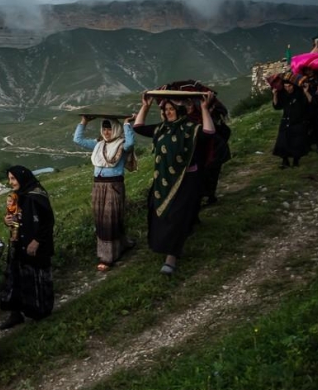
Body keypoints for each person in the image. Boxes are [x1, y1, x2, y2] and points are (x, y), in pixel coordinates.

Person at [133, 92, 215, 275]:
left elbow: (209, 132)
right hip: (162, 181)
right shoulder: (161, 128)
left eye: (172, 109)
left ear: (179, 110)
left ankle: (172, 256)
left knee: (176, 216)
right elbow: (138, 127)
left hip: (184, 181)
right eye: (166, 109)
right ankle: (162, 245)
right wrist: (145, 106)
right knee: (159, 213)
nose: (169, 112)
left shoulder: (189, 128)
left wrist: (203, 108)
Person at [73, 116, 136, 271]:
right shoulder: (98, 144)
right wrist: (84, 122)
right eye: (104, 129)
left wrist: (127, 124)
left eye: (109, 128)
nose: (107, 132)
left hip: (113, 185)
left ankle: (107, 257)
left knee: (110, 218)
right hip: (98, 186)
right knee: (101, 219)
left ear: (115, 129)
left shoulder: (121, 144)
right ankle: (121, 245)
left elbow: (131, 143)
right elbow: (78, 139)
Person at [0, 165, 55, 329]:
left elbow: (48, 221)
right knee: (15, 276)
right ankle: (16, 313)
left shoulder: (37, 195)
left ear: (22, 178)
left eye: (13, 179)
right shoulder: (18, 196)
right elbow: (13, 215)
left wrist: (37, 241)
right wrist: (7, 220)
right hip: (18, 243)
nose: (11, 182)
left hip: (35, 245)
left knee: (36, 276)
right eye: (9, 179)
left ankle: (39, 311)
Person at [271, 77, 312, 168]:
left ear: (293, 86)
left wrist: (306, 92)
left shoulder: (299, 94)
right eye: (285, 86)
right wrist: (275, 95)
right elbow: (277, 106)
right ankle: (285, 161)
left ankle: (296, 161)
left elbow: (310, 102)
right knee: (283, 141)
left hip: (299, 121)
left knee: (297, 142)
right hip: (286, 121)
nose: (288, 88)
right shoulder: (283, 95)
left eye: (289, 86)